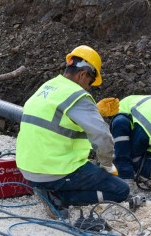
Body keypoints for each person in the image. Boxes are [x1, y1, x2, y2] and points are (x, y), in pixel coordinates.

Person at [16, 45, 129, 219]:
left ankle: (49, 189)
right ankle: (59, 198)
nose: (89, 87)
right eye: (91, 81)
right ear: (83, 74)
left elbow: (57, 119)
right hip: (53, 170)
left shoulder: (49, 86)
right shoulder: (78, 96)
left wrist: (94, 112)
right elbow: (102, 136)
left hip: (27, 168)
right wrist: (106, 164)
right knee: (120, 190)